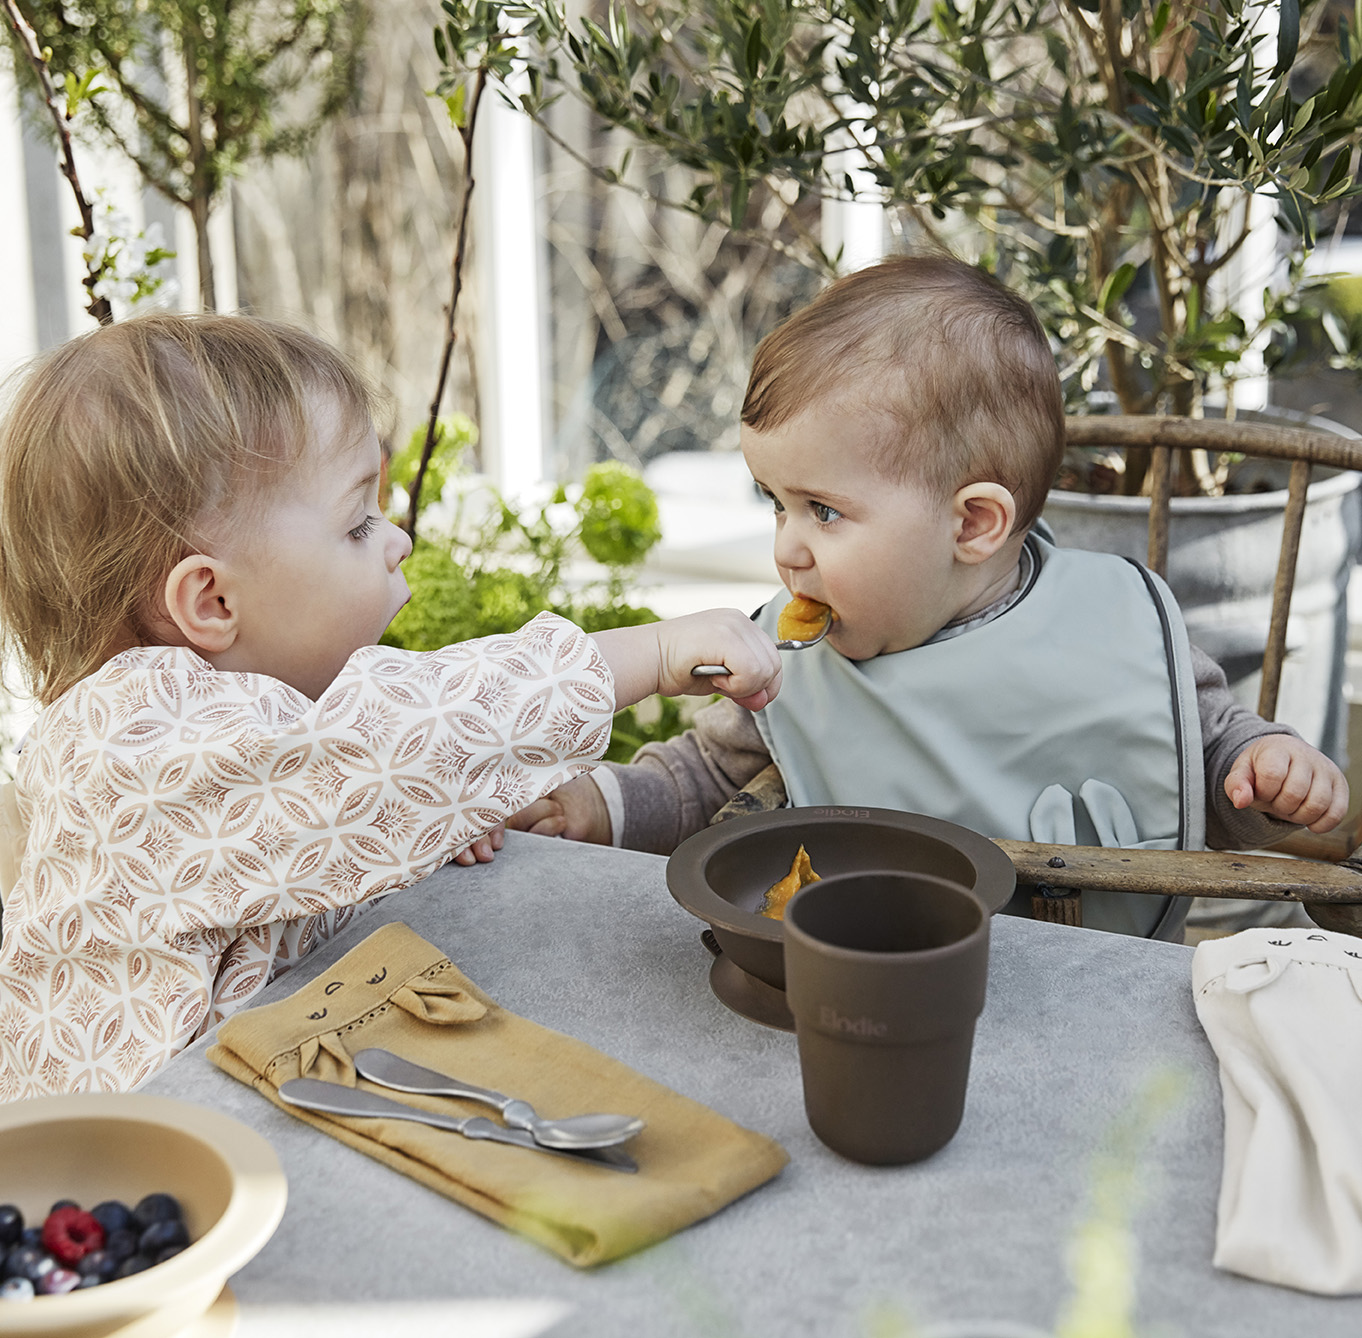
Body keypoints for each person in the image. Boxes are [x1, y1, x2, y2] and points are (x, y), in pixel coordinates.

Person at [0, 313, 780, 1099]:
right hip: (113, 1168)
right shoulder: (137, 742)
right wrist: (643, 654)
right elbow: (393, 737)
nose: (397, 539)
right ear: (211, 599)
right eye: (356, 523)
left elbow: (295, 832)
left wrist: (418, 818)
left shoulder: (236, 726)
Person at [507, 253, 1350, 938]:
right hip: (864, 976)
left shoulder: (1116, 622)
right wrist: (601, 804)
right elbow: (701, 780)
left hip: (1103, 989)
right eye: (776, 502)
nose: (786, 547)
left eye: (824, 511)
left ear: (974, 524)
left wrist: (1261, 771)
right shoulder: (788, 662)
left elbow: (1195, 756)